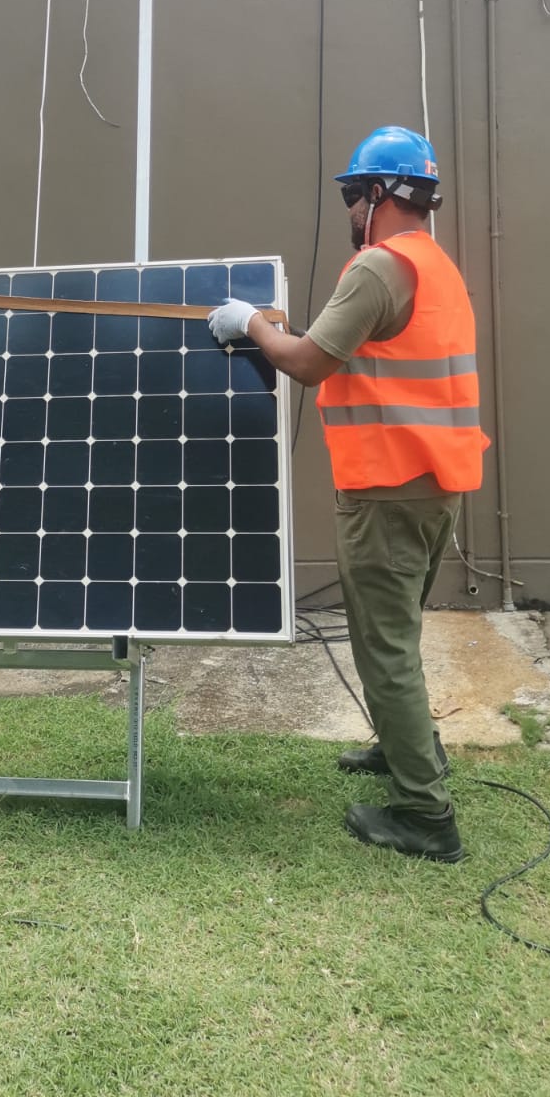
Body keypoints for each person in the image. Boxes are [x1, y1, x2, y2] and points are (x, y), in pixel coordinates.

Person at [207, 127, 489, 862]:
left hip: (388, 491)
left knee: (384, 648)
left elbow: (306, 363)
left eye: (351, 195)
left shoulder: (377, 267)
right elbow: (356, 350)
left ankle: (425, 816)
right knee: (397, 635)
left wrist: (250, 323)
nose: (348, 209)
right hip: (436, 483)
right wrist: (285, 334)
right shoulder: (434, 266)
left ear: (377, 193)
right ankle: (406, 749)